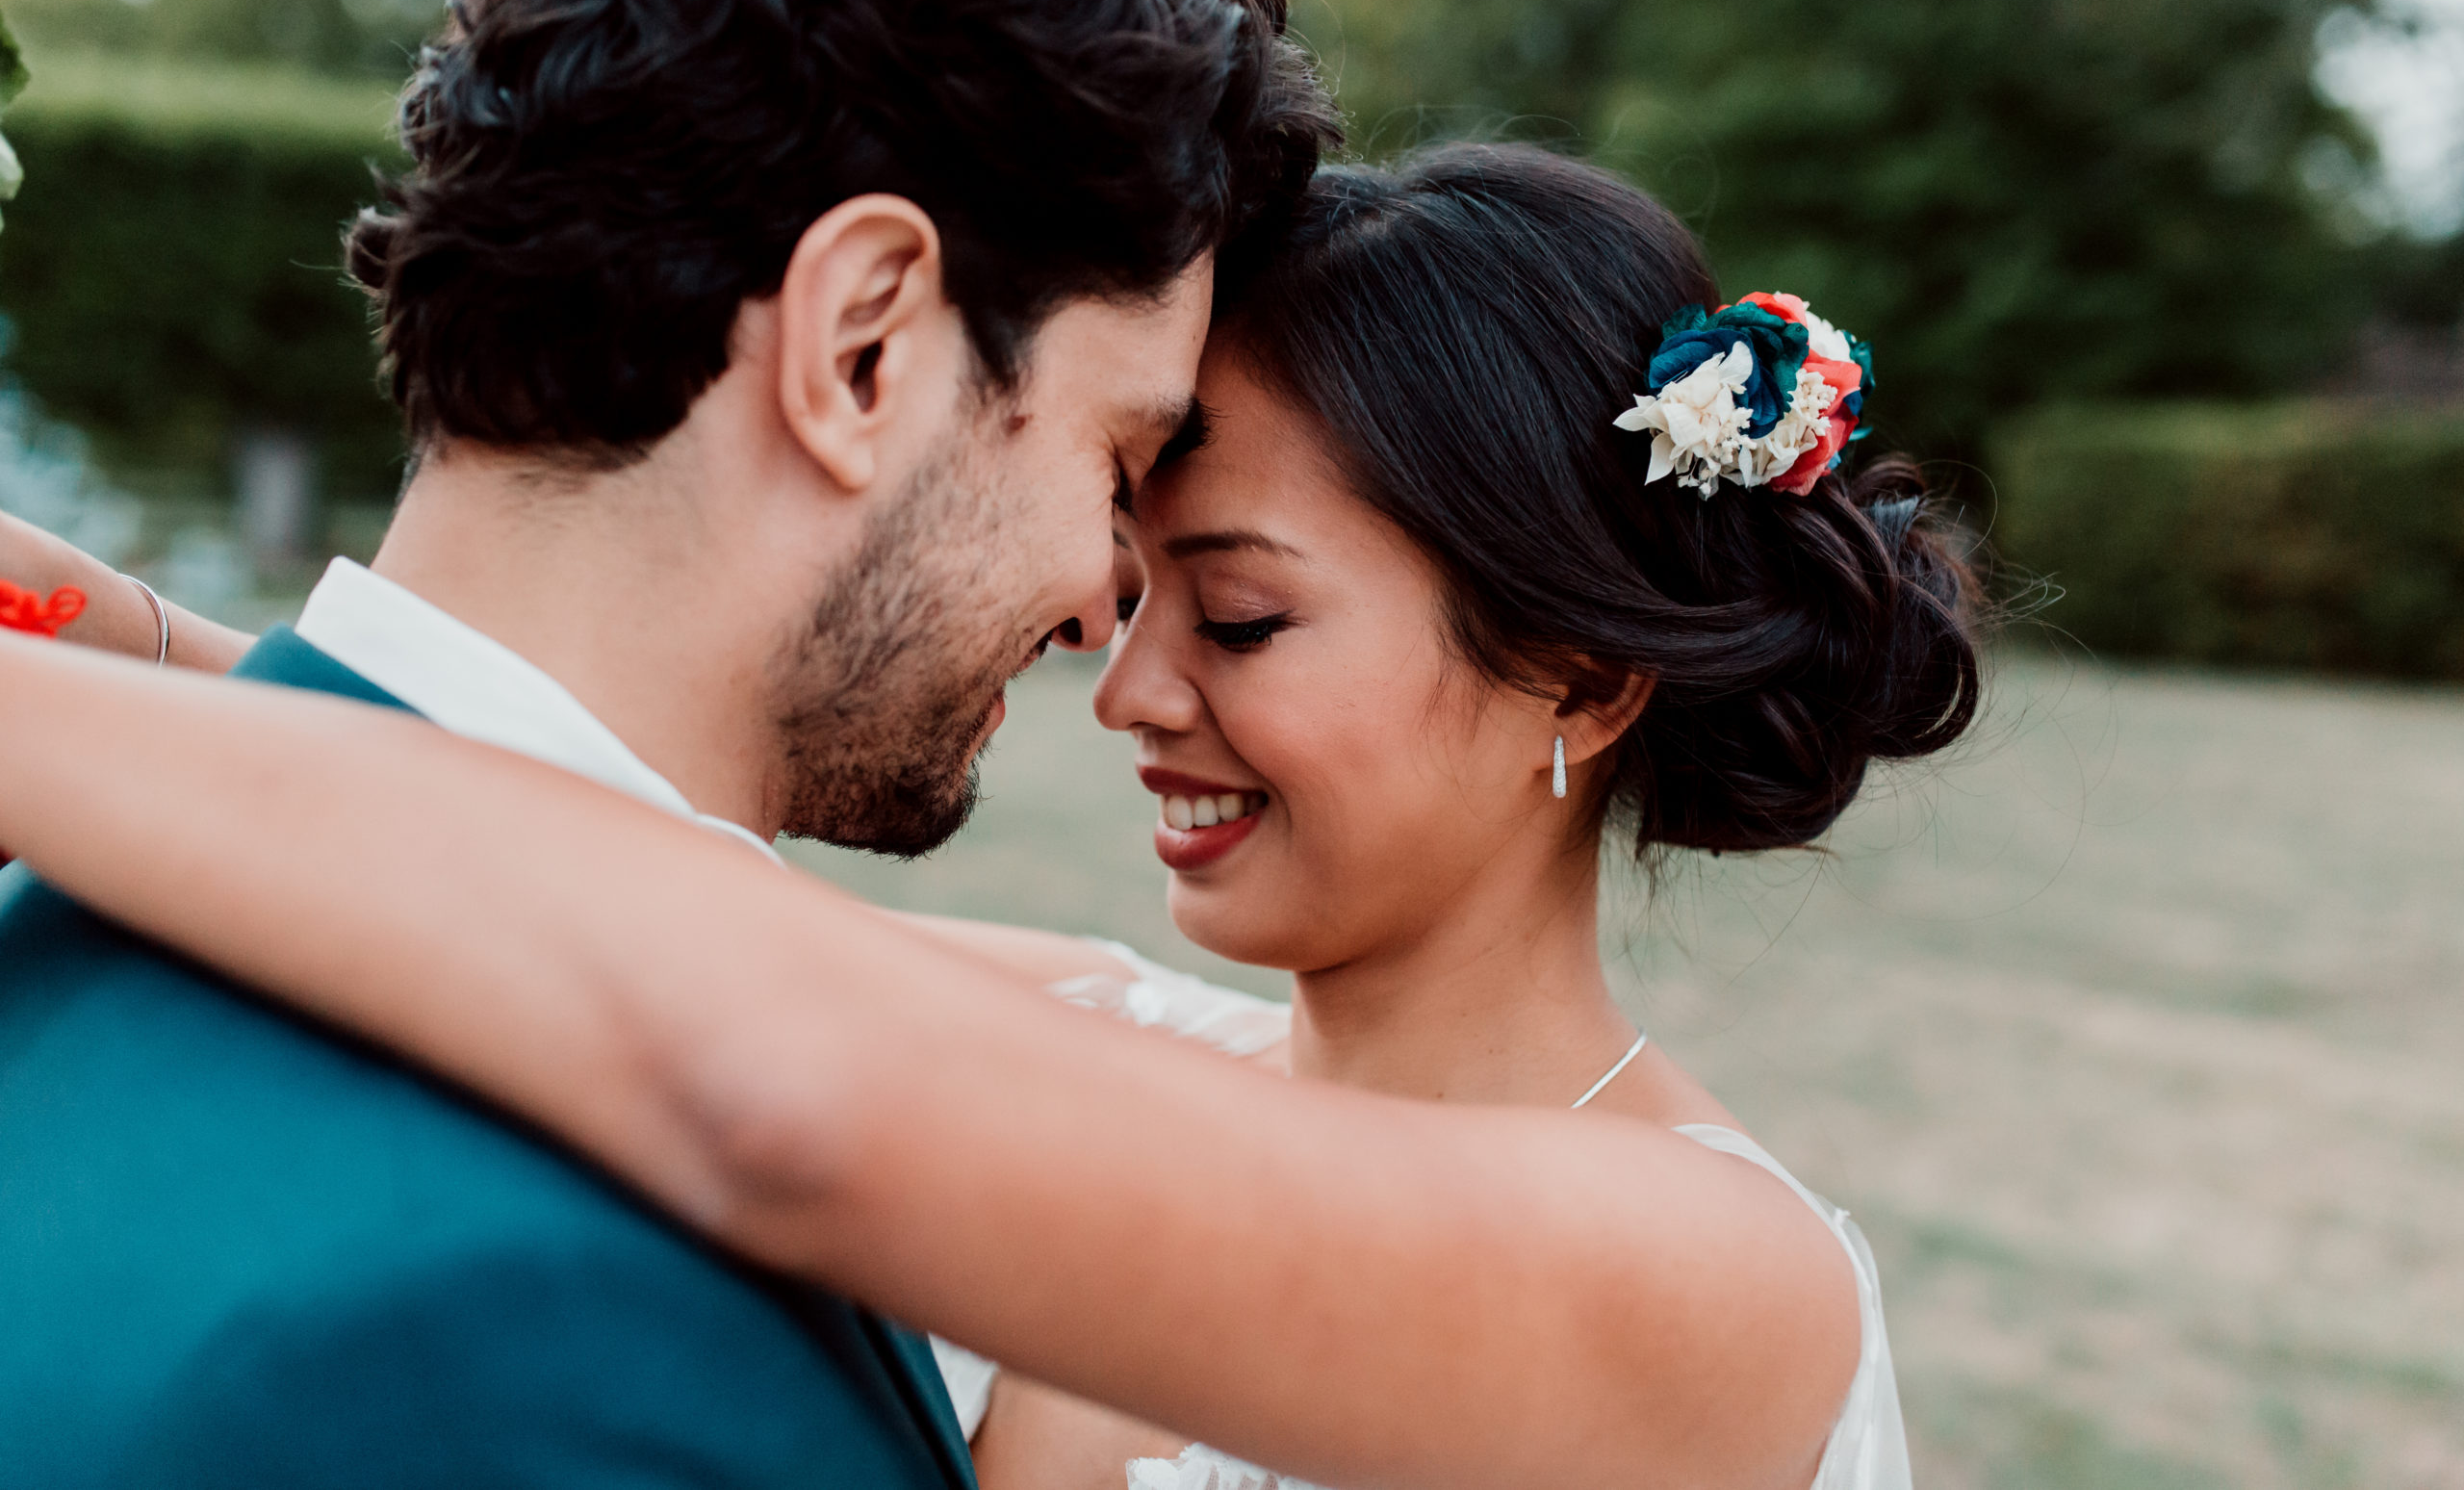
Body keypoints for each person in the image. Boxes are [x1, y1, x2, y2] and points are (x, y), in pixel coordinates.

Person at [0, 139, 1979, 1487]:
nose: (1119, 687)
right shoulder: (1117, 1039)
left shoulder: (1714, 1282)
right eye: (1126, 590)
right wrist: (114, 627)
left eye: (1244, 615)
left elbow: (768, 1067)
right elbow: (535, 845)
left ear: (1585, 668)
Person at [0, 0, 1337, 1483]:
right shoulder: (560, 1322)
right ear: (861, 344)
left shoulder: (53, 943)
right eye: (1114, 463)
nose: (1092, 609)